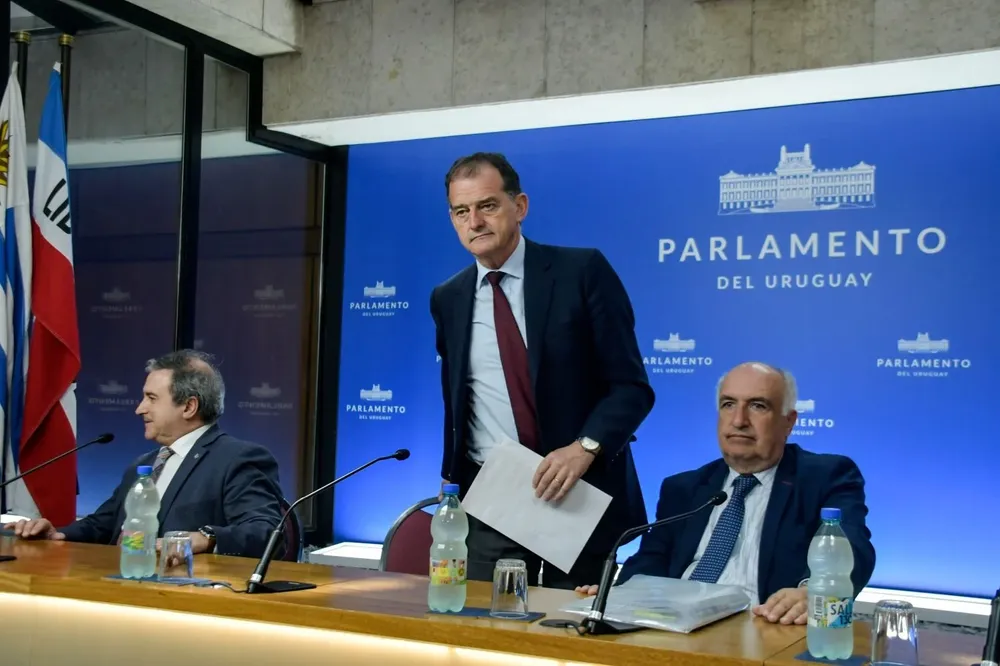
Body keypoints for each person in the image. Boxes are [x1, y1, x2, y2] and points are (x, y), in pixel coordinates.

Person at [430, 152, 655, 589]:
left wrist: (584, 447)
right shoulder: (447, 298)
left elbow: (631, 388)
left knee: (572, 641)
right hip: (491, 500)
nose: (474, 221)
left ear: (520, 207)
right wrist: (450, 478)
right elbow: (458, 398)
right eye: (461, 211)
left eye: (488, 205)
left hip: (578, 495)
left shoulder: (581, 271)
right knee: (482, 633)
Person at [576, 362, 876, 625]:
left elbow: (853, 547)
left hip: (763, 630)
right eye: (728, 404)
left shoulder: (825, 477)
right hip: (679, 628)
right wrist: (618, 594)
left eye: (758, 406)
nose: (739, 420)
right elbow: (651, 560)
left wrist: (817, 590)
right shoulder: (685, 488)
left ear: (789, 422)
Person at [4, 350, 283, 559]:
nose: (139, 409)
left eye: (151, 398)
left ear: (188, 407)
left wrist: (205, 538)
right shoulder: (145, 464)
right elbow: (105, 523)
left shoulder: (238, 459)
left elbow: (266, 533)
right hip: (117, 582)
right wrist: (58, 533)